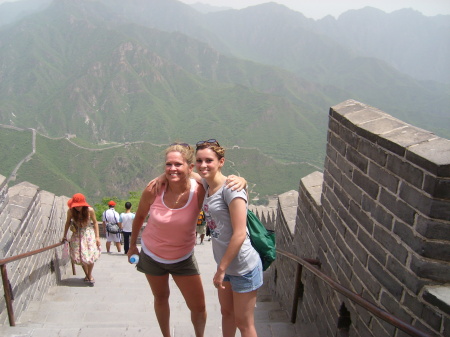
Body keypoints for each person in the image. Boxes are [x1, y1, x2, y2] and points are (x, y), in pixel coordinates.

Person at [128, 143, 246, 337]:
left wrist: (242, 180)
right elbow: (139, 216)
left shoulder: (199, 190)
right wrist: (133, 246)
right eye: (168, 164)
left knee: (198, 307)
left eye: (178, 164)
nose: (172, 168)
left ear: (190, 168)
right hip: (152, 255)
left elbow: (220, 184)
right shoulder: (154, 189)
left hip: (182, 257)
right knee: (160, 297)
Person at [196, 139, 262, 337]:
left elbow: (240, 233)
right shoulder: (206, 185)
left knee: (244, 323)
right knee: (227, 314)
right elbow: (184, 173)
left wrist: (221, 268)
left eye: (209, 160)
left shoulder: (231, 189)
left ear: (221, 161)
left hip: (243, 267)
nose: (203, 165)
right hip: (226, 268)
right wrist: (164, 177)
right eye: (199, 161)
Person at [62, 193, 101, 284]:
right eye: (76, 206)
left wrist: (97, 237)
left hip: (88, 234)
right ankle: (87, 275)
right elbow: (67, 223)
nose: (78, 208)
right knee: (81, 256)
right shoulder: (71, 211)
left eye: (79, 206)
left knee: (90, 255)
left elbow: (95, 223)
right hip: (77, 234)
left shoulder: (89, 210)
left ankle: (89, 275)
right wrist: (64, 235)